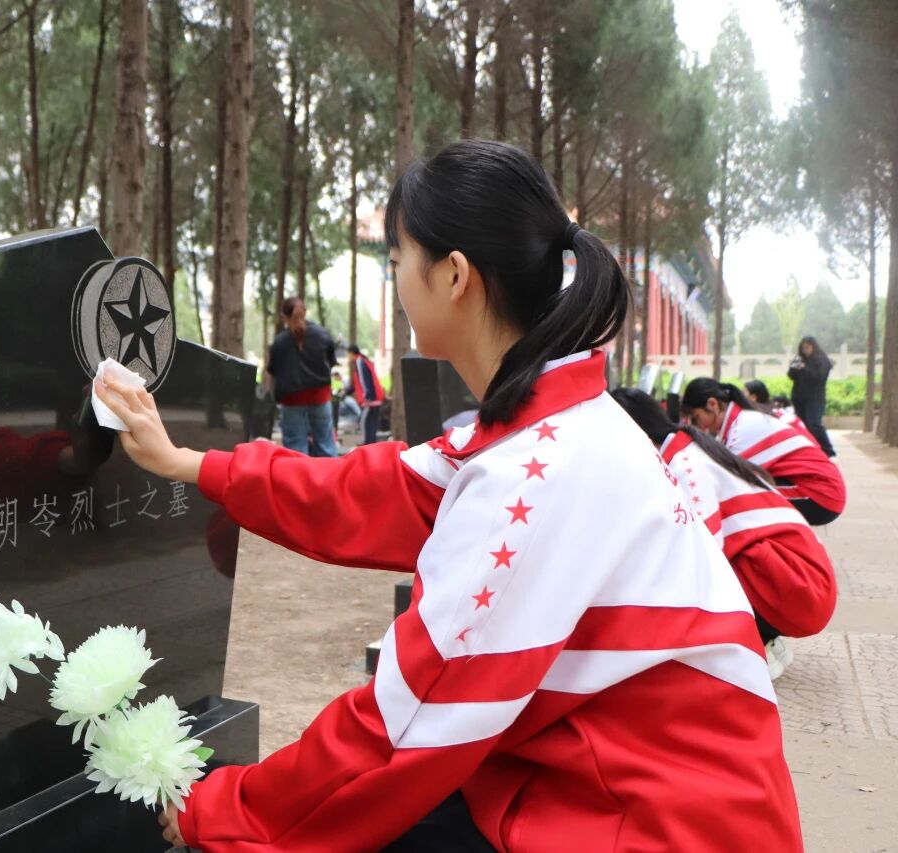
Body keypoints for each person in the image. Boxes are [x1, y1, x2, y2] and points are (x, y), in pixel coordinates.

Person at [97, 139, 800, 851]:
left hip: (654, 824)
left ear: (454, 275)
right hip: (623, 786)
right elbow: (369, 491)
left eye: (399, 258)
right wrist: (191, 463)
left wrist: (222, 808)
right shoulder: (548, 425)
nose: (396, 278)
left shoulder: (534, 474)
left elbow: (405, 724)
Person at [611, 388, 836, 680]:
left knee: (689, 567)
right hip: (800, 581)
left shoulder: (684, 466)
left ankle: (751, 651)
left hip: (800, 589)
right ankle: (765, 639)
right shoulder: (688, 447)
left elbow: (703, 558)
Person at [681, 377, 845, 526]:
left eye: (695, 416)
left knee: (735, 499)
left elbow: (725, 478)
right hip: (818, 486)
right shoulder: (740, 420)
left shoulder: (742, 429)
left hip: (820, 494)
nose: (696, 425)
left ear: (712, 404)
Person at [266, 297, 339, 457]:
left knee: (295, 448)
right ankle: (329, 472)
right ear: (304, 312)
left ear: (284, 316)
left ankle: (299, 473)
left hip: (292, 400)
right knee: (326, 444)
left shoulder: (279, 342)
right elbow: (331, 362)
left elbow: (272, 369)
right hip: (320, 397)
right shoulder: (322, 334)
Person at [788, 335, 835, 456]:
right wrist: (795, 366)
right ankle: (809, 449)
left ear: (814, 347)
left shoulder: (822, 361)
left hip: (815, 398)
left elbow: (818, 378)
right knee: (803, 425)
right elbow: (791, 375)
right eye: (803, 348)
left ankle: (828, 450)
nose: (805, 350)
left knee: (814, 423)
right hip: (799, 397)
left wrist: (804, 368)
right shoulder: (800, 359)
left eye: (807, 347)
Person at [341, 344, 386, 445]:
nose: (348, 357)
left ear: (351, 353)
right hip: (376, 398)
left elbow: (364, 380)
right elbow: (358, 383)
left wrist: (368, 396)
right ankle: (372, 445)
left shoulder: (360, 361)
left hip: (371, 400)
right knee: (372, 424)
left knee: (364, 423)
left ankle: (367, 445)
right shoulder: (364, 360)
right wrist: (347, 392)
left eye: (348, 354)